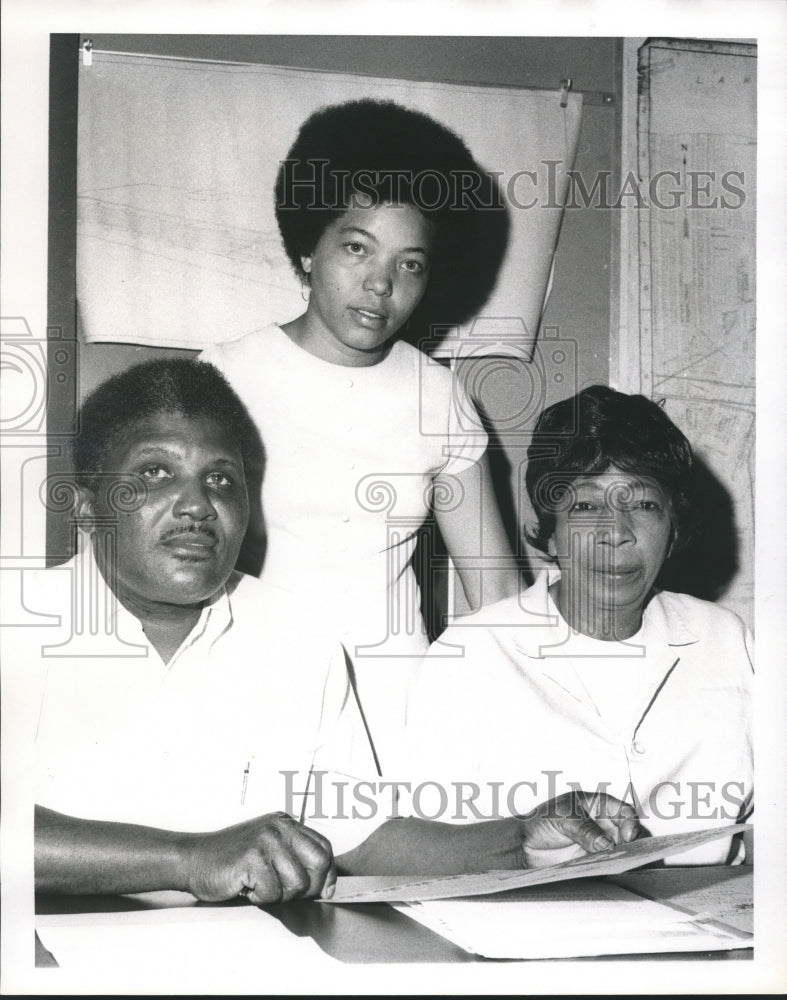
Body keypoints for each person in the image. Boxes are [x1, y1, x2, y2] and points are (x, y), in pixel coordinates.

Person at [15, 361, 640, 903]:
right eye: (155, 473)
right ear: (85, 502)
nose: (198, 505)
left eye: (222, 479)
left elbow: (363, 836)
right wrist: (188, 858)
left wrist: (520, 838)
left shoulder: (298, 640)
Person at [199, 99, 521, 767]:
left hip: (397, 718)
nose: (379, 285)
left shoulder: (438, 395)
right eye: (355, 247)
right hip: (250, 700)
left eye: (410, 264)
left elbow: (497, 597)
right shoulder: (224, 378)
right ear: (307, 247)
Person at [405, 386, 753, 865]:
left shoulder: (726, 638)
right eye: (586, 506)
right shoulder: (470, 653)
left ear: (675, 527)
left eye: (645, 505)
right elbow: (416, 849)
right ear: (551, 527)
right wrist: (519, 837)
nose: (616, 532)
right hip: (529, 925)